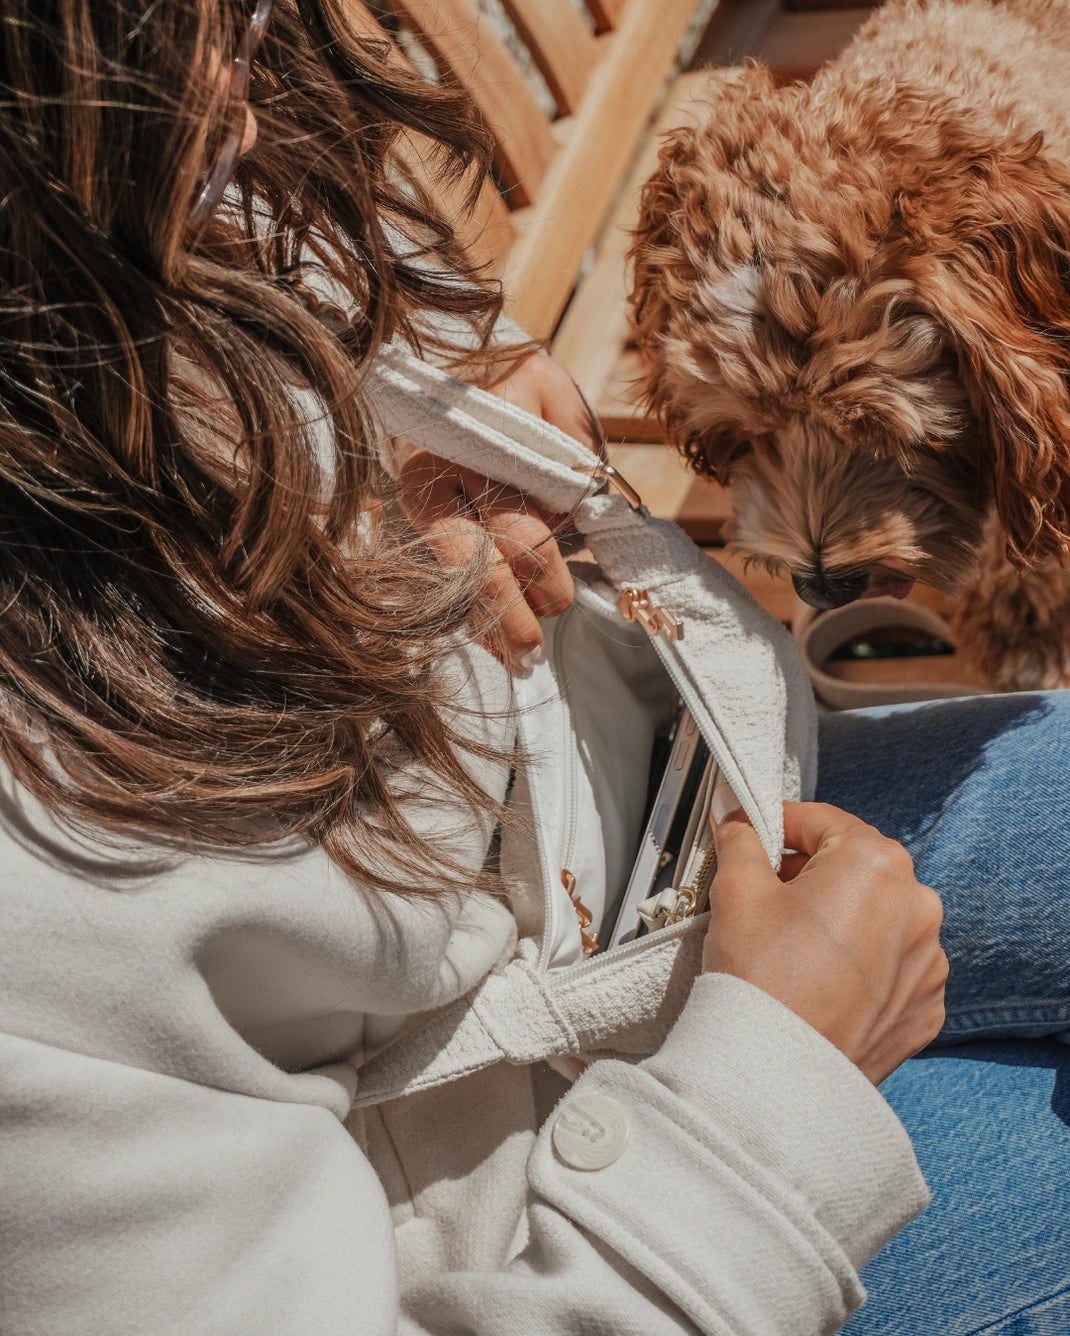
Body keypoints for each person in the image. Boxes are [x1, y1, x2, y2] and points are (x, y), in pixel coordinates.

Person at [0, 2, 1066, 1333]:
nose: (242, 73)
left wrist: (426, 370)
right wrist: (772, 1084)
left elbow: (286, 243)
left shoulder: (191, 165)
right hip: (617, 1211)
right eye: (149, 68)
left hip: (679, 800)